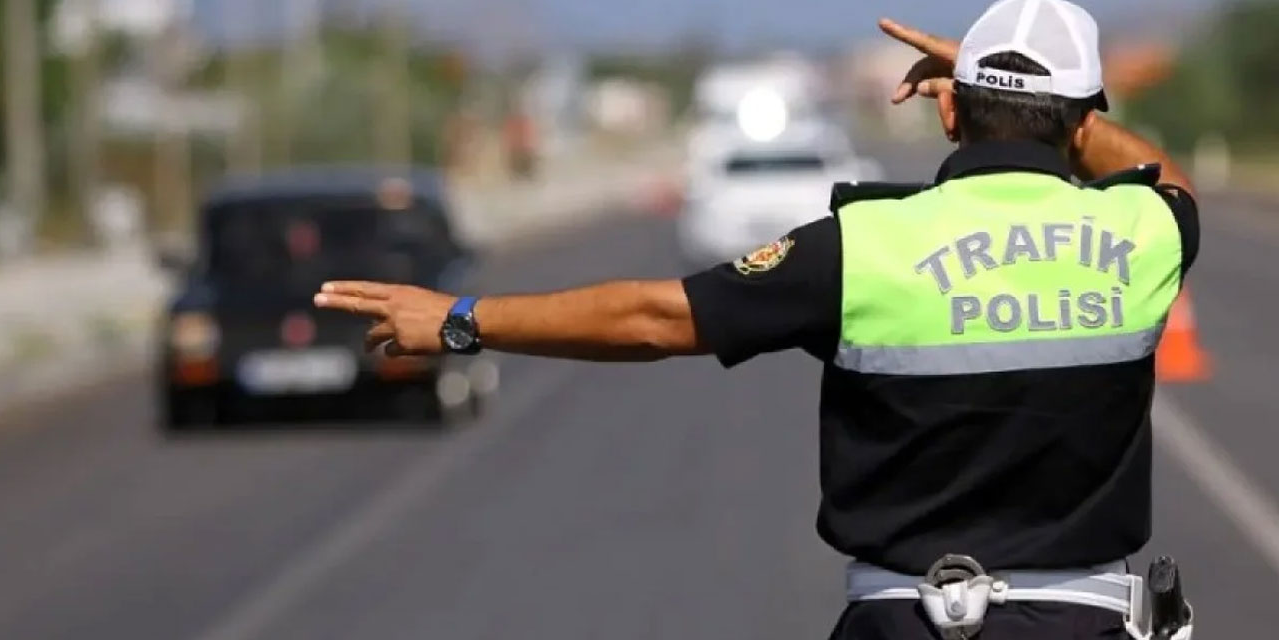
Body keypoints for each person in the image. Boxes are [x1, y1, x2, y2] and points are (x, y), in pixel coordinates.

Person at [314, 1, 1198, 637]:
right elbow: (1166, 178)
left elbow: (657, 317)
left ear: (953, 110)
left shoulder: (861, 244)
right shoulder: (1145, 229)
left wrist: (463, 319)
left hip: (907, 621)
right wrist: (1062, 121)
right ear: (1082, 122)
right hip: (1090, 622)